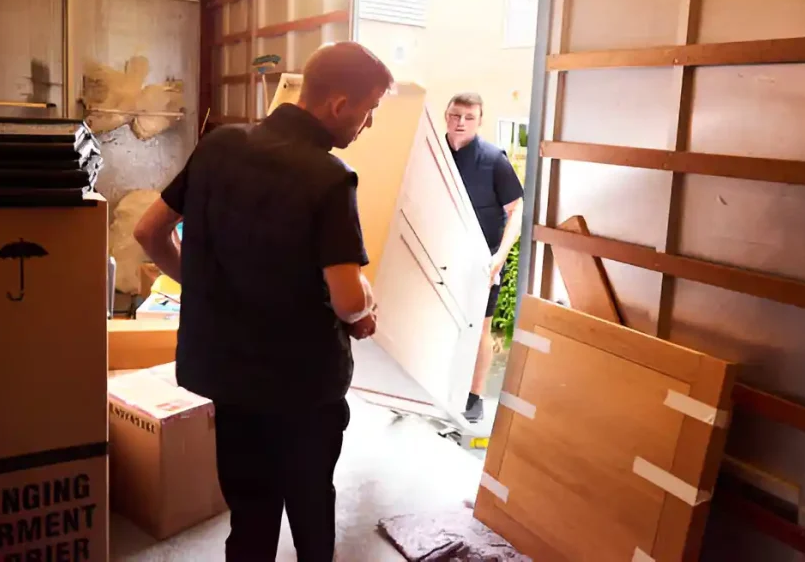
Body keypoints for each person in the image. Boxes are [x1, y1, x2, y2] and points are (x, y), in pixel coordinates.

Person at [133, 42, 393, 562]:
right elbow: (346, 298)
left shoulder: (219, 145)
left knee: (249, 514)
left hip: (227, 376)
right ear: (339, 105)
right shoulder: (329, 177)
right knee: (311, 511)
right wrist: (363, 312)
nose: (367, 127)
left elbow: (149, 232)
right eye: (369, 112)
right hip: (302, 387)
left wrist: (203, 285)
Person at [445, 93, 524, 424]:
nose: (460, 122)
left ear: (479, 121)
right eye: (455, 115)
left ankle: (474, 396)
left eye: (469, 117)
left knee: (481, 329)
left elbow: (517, 210)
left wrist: (500, 257)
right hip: (442, 254)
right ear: (446, 115)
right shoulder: (433, 154)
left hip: (483, 261)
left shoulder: (494, 159)